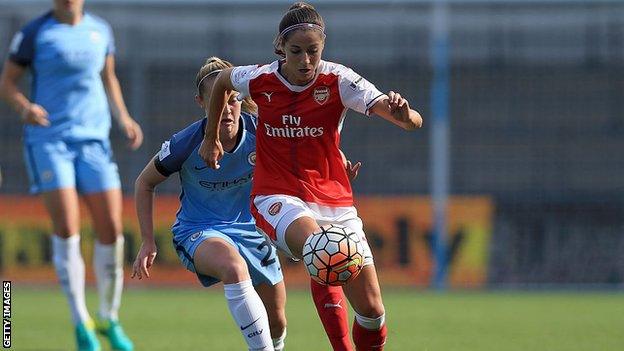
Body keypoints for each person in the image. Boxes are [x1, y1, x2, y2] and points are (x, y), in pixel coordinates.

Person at [199, 2, 423, 350]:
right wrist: (212, 137)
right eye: (296, 52)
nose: (305, 60)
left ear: (323, 48)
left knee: (373, 311)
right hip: (276, 195)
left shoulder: (339, 80)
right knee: (322, 252)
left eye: (313, 51)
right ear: (281, 49)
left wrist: (404, 115)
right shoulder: (260, 79)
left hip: (335, 198)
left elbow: (412, 123)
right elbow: (222, 82)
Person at [0, 1, 142, 351]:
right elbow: (8, 83)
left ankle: (109, 317)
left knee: (111, 228)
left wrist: (123, 117)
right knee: (68, 226)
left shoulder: (101, 30)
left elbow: (108, 77)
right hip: (50, 139)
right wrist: (24, 107)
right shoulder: (35, 33)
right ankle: (82, 322)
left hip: (93, 140)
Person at [131, 57, 287, 351]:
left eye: (231, 100)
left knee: (276, 320)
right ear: (202, 102)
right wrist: (148, 240)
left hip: (252, 232)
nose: (226, 109)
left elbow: (301, 154)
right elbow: (144, 182)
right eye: (217, 100)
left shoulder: (262, 133)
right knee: (233, 268)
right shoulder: (185, 143)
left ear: (241, 99)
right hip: (199, 230)